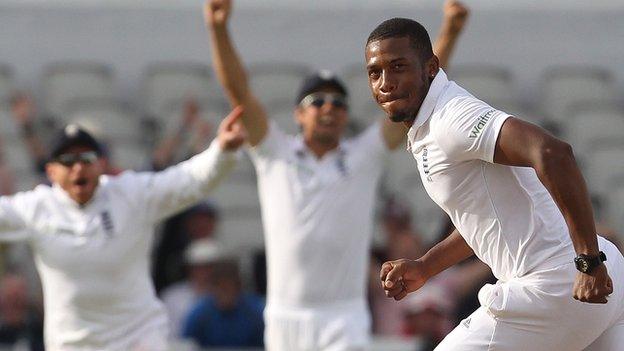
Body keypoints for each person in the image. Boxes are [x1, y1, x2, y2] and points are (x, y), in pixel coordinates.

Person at [203, 0, 469, 349]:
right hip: (286, 315)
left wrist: (450, 30)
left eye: (339, 103)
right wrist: (218, 29)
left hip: (343, 316)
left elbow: (420, 92)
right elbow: (239, 93)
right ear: (299, 114)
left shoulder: (364, 155)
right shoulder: (273, 152)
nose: (330, 108)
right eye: (318, 101)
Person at [367, 18, 624, 350]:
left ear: (430, 67)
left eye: (398, 67)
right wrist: (425, 266)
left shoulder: (451, 117)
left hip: (557, 284)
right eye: (375, 73)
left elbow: (553, 152)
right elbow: (486, 217)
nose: (385, 83)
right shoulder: (431, 124)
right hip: (597, 281)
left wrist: (588, 260)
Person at [0, 107, 247, 350]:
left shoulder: (131, 194)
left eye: (87, 158)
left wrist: (222, 150)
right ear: (51, 171)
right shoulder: (36, 208)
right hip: (73, 344)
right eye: (68, 160)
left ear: (102, 163)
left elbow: (188, 181)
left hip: (138, 338)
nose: (78, 167)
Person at [181, 257, 265, 348]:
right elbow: (185, 344)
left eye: (229, 288)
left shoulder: (256, 310)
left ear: (238, 288)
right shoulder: (200, 313)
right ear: (212, 288)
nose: (225, 294)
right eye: (221, 288)